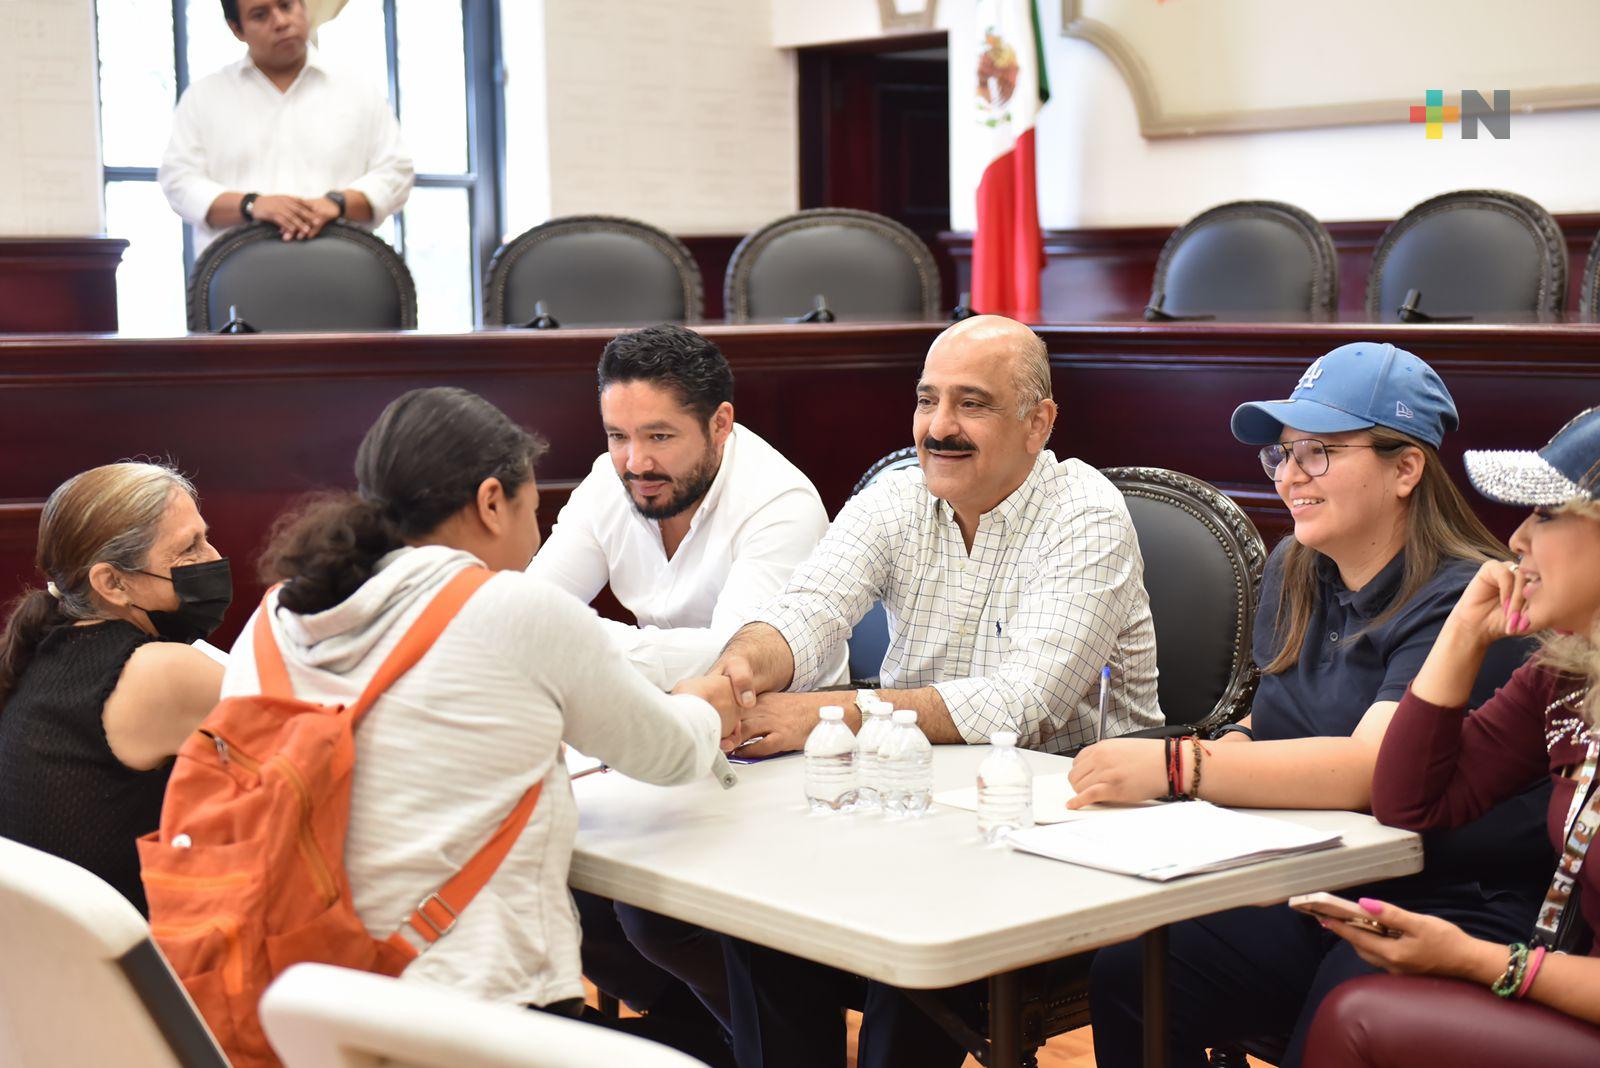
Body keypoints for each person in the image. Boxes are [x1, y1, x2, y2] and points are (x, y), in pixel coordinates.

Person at [691, 314, 1162, 1068]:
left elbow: (1022, 705)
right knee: (758, 919)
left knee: (903, 958)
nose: (938, 427)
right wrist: (735, 675)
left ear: (1037, 422)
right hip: (910, 807)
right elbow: (807, 610)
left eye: (970, 403)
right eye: (926, 400)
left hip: (1059, 824)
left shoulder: (1085, 514)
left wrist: (818, 712)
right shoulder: (896, 499)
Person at [1074, 342, 1552, 1067]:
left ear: (1405, 469)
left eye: (1320, 452)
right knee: (1131, 975)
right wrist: (1234, 740)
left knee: (1336, 1014)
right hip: (1324, 887)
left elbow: (1372, 768)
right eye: (1284, 453)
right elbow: (1281, 718)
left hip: (1448, 901)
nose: (1290, 475)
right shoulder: (1298, 569)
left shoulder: (1466, 599)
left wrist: (1179, 764)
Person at [225, 386, 739, 1013]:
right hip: (481, 1005)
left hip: (312, 991)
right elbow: (670, 755)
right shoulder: (511, 609)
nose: (539, 528)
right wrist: (708, 701)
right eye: (533, 505)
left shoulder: (276, 616)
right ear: (492, 502)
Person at [1303, 406, 1600, 1067]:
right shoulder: (1568, 674)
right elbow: (1409, 802)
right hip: (1575, 983)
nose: (1517, 539)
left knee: (1358, 1018)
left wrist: (1474, 959)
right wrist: (1464, 633)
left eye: (1547, 515)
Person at [529, 323, 844, 690]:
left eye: (659, 437)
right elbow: (529, 611)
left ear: (720, 425)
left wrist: (576, 641)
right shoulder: (607, 481)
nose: (635, 463)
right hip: (661, 709)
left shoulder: (782, 505)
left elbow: (736, 662)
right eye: (618, 436)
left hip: (788, 733)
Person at [0, 463, 228, 915]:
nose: (214, 557)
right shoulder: (161, 673)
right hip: (143, 967)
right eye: (189, 548)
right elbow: (323, 737)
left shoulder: (37, 651)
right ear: (112, 583)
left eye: (205, 536)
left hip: (53, 964)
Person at [158, 0, 413, 251]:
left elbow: (396, 171)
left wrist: (337, 203)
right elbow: (179, 180)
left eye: (286, 6)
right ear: (236, 29)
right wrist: (251, 205)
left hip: (342, 270)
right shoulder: (203, 97)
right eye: (260, 15)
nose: (280, 22)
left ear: (303, 8)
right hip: (237, 278)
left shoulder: (359, 91)